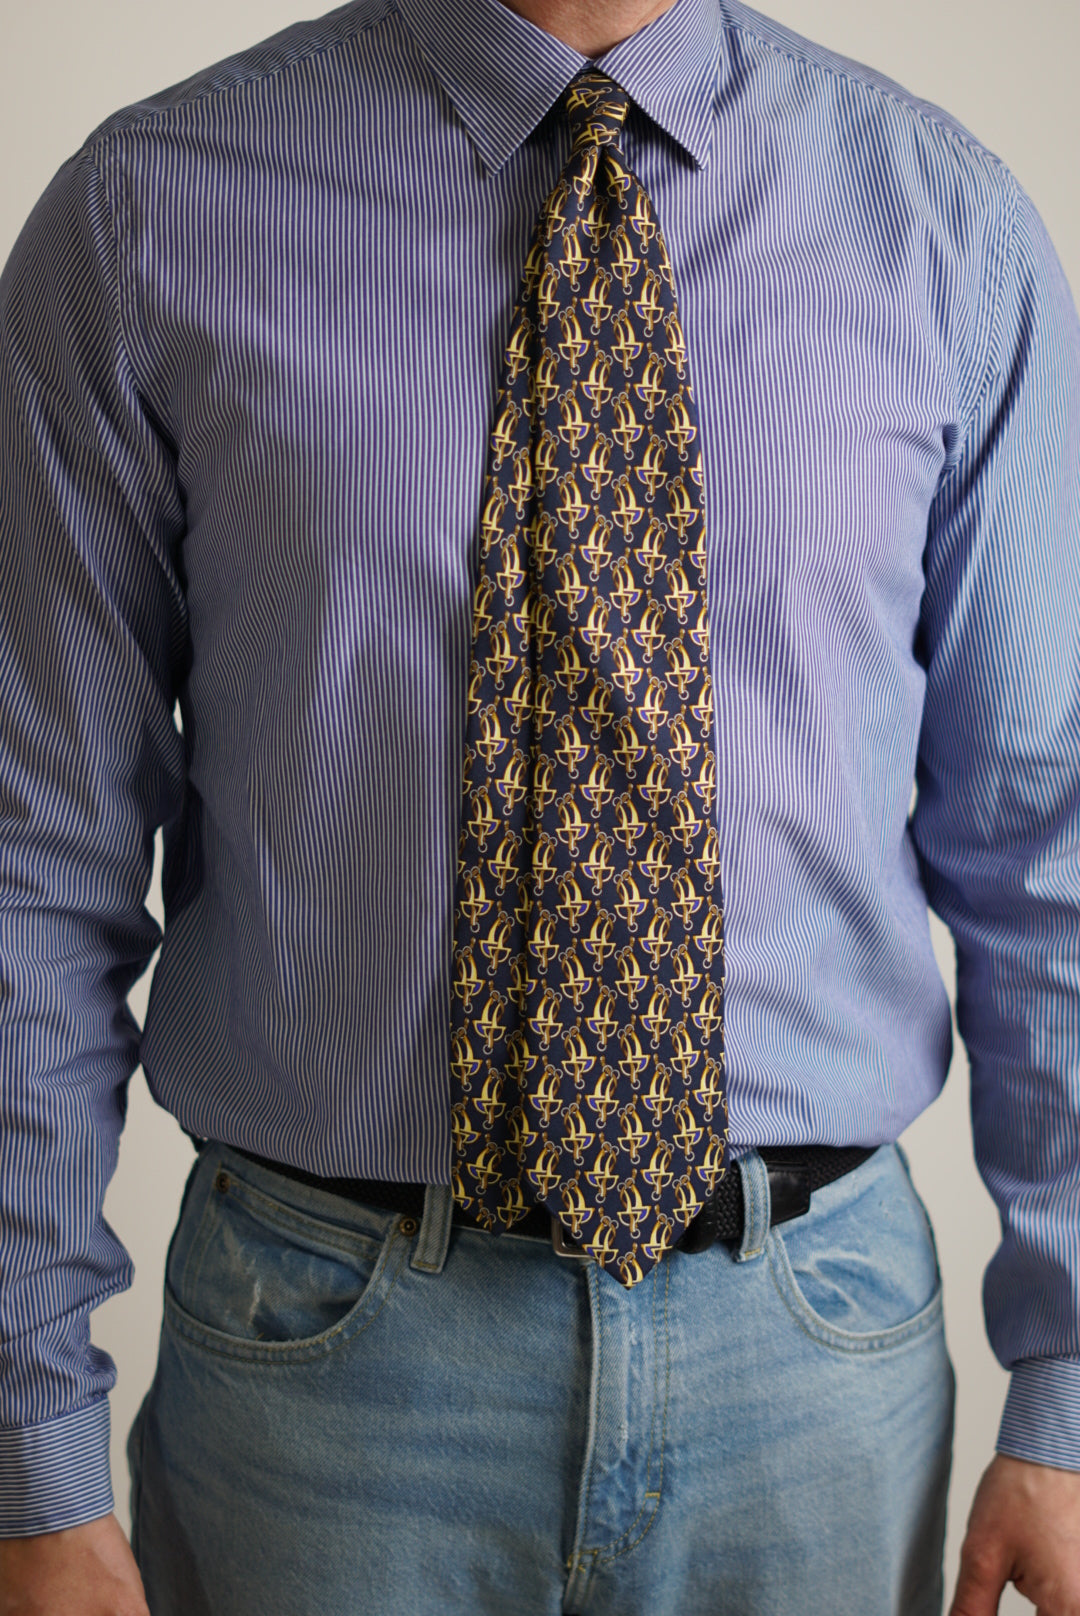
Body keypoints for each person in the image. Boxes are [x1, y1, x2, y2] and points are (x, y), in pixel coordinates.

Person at [0, 0, 1078, 1609]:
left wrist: (1067, 1391)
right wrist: (29, 1447)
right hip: (324, 1378)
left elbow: (1043, 839)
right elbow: (34, 853)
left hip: (810, 1367)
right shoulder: (150, 213)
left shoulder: (945, 228)